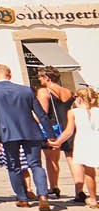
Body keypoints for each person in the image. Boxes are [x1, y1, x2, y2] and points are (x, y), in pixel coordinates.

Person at [0, 64, 53, 211]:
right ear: (10, 74)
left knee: (14, 166)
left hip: (8, 133)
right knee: (36, 165)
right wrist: (50, 134)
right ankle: (43, 195)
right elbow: (41, 114)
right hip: (31, 131)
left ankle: (22, 198)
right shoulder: (26, 90)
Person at [48, 86, 98, 209]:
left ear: (79, 99)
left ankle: (93, 199)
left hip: (83, 142)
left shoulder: (73, 112)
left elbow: (68, 131)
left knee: (89, 172)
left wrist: (58, 142)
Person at [36, 68, 74, 199]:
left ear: (48, 78)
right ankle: (79, 188)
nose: (39, 79)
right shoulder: (67, 91)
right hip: (68, 126)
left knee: (51, 159)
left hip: (52, 128)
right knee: (71, 159)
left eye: (40, 77)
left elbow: (43, 113)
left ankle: (53, 186)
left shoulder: (44, 92)